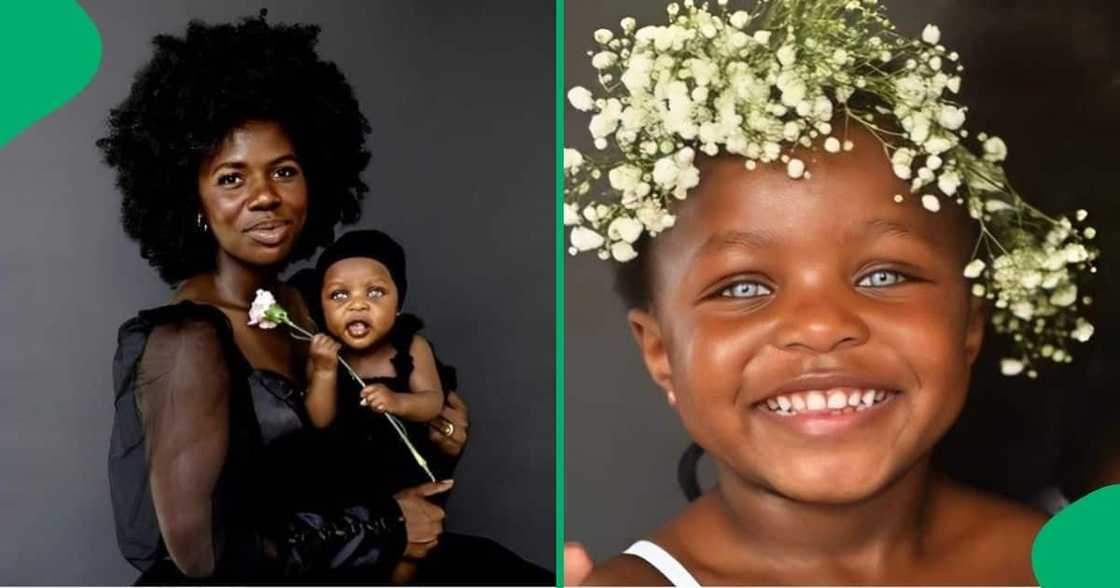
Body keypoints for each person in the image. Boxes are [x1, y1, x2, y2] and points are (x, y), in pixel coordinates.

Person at [562, 1, 1098, 585]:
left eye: (884, 276)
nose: (819, 326)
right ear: (660, 352)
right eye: (743, 286)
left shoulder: (1078, 562)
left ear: (971, 321)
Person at [100, 15, 457, 583]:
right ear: (191, 199)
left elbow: (339, 458)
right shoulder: (185, 343)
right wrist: (386, 525)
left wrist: (436, 430)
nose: (265, 197)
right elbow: (199, 555)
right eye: (231, 179)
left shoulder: (312, 305)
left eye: (284, 172)